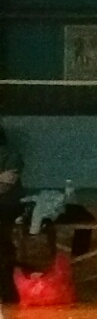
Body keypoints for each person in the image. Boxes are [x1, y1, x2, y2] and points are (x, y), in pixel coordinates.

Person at [0, 125, 22, 304]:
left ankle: (9, 291)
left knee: (4, 247)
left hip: (6, 206)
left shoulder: (11, 156)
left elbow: (7, 184)